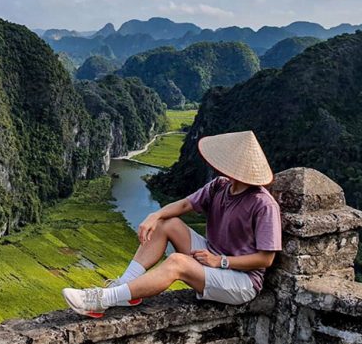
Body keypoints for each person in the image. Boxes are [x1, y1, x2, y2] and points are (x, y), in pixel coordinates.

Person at [62, 130, 282, 318]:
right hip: (212, 256)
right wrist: (155, 216)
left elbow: (266, 258)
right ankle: (124, 287)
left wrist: (221, 261)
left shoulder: (263, 205)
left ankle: (103, 299)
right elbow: (186, 204)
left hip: (242, 282)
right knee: (168, 223)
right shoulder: (220, 186)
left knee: (177, 262)